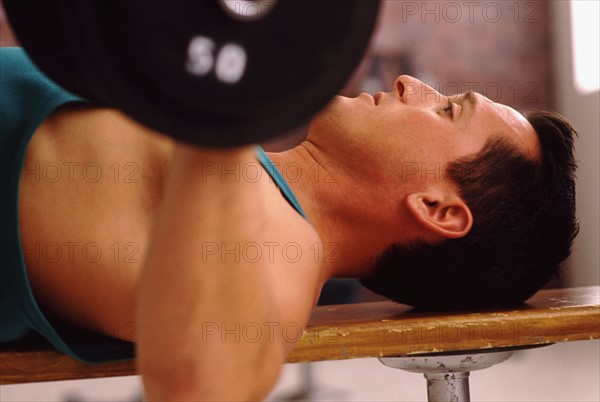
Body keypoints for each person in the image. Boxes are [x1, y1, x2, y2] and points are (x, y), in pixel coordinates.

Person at [1, 47, 578, 400]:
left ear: (438, 208)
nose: (410, 86)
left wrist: (220, 113)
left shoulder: (280, 259)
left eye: (448, 108)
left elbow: (201, 385)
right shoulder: (246, 176)